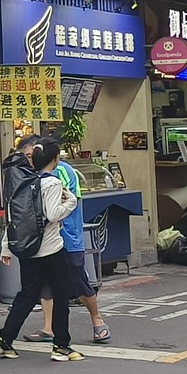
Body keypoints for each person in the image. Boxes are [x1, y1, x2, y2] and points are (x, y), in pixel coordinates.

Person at [0, 140, 85, 362]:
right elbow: (53, 214)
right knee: (61, 296)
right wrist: (70, 200)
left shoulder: (25, 182)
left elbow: (15, 218)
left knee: (27, 294)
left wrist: (6, 245)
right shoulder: (51, 183)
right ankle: (61, 345)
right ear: (55, 160)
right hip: (51, 249)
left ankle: (4, 339)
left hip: (28, 248)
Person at [17, 136, 110, 345]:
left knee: (78, 279)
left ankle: (97, 320)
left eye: (31, 155)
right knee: (46, 283)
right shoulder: (32, 175)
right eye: (26, 157)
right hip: (44, 239)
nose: (29, 160)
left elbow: (67, 203)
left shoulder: (63, 172)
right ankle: (48, 328)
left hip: (68, 237)